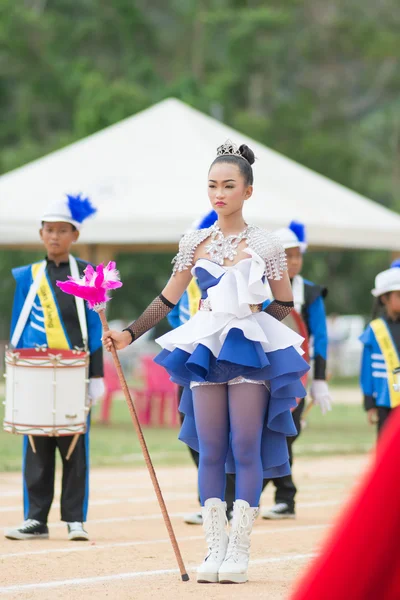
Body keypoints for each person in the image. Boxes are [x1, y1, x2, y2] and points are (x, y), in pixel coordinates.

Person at [103, 140, 309, 584]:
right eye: (213, 185)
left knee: (245, 446)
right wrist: (129, 334)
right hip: (205, 348)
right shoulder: (194, 241)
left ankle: (239, 547)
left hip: (249, 350)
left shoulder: (267, 244)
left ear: (247, 191)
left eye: (229, 186)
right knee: (210, 449)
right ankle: (214, 547)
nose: (219, 193)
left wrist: (251, 322)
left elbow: (285, 303)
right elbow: (168, 297)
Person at [5, 194, 104, 542]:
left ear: (74, 235)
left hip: (74, 372)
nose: (55, 237)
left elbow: (95, 329)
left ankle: (75, 518)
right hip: (35, 372)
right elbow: (18, 323)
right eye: (49, 230)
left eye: (63, 231)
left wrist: (97, 375)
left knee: (74, 446)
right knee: (37, 447)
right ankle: (36, 519)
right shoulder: (27, 276)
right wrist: (16, 370)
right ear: (41, 233)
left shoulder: (88, 275)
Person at [167, 209, 236, 526]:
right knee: (193, 429)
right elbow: (171, 315)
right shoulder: (184, 280)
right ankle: (209, 500)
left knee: (230, 434)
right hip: (189, 362)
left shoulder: (227, 276)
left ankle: (231, 500)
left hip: (223, 361)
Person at [261, 221, 332, 520]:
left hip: (297, 377)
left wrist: (319, 381)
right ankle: (278, 496)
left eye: (297, 255)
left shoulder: (311, 294)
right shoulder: (257, 287)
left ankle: (266, 497)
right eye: (286, 256)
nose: (293, 262)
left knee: (284, 434)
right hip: (263, 375)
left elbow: (320, 337)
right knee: (268, 435)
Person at [360, 266, 400, 435]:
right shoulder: (375, 330)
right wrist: (369, 403)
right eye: (398, 295)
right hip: (385, 401)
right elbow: (366, 370)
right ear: (384, 298)